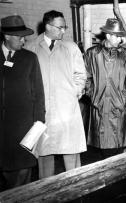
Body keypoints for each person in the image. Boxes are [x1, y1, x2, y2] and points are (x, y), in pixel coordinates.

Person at [25, 10, 87, 179]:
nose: (64, 31)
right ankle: (47, 192)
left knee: (71, 154)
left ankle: (76, 188)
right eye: (61, 27)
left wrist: (75, 91)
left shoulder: (71, 47)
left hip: (67, 110)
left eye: (64, 27)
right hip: (43, 111)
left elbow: (81, 75)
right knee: (44, 154)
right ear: (48, 26)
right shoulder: (31, 47)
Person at [0, 15, 45, 189]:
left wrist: (39, 124)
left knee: (22, 179)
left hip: (23, 130)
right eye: (20, 37)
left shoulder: (30, 58)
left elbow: (38, 94)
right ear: (7, 36)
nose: (24, 40)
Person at [84, 18, 126, 158]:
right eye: (118, 36)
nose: (121, 40)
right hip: (99, 106)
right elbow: (86, 77)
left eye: (121, 36)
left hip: (118, 106)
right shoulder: (92, 54)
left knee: (117, 144)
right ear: (108, 35)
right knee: (103, 147)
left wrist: (124, 98)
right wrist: (93, 95)